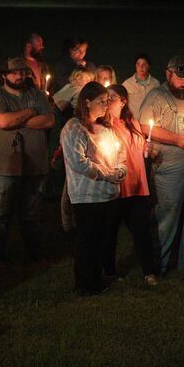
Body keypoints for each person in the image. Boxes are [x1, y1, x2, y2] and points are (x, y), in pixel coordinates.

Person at [139, 55, 184, 273]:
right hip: (171, 167)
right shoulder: (157, 97)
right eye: (180, 77)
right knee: (167, 216)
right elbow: (145, 126)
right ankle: (158, 264)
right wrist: (178, 139)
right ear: (168, 74)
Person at [0, 58, 55, 267]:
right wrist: (31, 112)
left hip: (35, 164)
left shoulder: (38, 95)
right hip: (3, 165)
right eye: (15, 73)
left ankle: (35, 254)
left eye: (23, 72)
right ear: (4, 75)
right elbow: (2, 122)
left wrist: (17, 118)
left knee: (31, 214)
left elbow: (49, 120)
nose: (20, 76)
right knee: (0, 214)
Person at [61, 82, 127, 295]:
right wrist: (107, 173)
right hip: (87, 196)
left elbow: (120, 153)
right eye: (102, 102)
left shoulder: (105, 128)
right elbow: (78, 163)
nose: (106, 106)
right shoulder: (74, 128)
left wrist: (121, 169)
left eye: (108, 101)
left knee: (103, 239)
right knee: (88, 240)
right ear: (87, 102)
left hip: (108, 194)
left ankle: (98, 278)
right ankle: (85, 284)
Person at [106, 84, 159, 285]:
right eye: (106, 98)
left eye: (112, 98)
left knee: (142, 230)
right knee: (110, 232)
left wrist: (148, 149)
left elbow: (140, 149)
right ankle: (109, 270)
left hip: (137, 186)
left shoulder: (132, 123)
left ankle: (149, 271)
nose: (108, 101)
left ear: (123, 101)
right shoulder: (104, 126)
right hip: (118, 187)